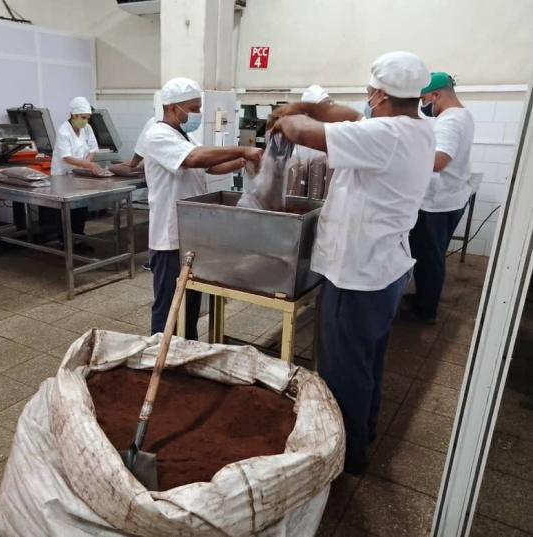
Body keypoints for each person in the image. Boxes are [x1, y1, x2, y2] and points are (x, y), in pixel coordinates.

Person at [272, 52, 434, 474]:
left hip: (357, 272)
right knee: (367, 360)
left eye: (368, 93)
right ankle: (364, 431)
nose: (365, 100)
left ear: (379, 94)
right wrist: (307, 105)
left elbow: (303, 132)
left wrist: (286, 116)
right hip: (384, 267)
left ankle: (345, 456)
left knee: (343, 369)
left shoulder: (385, 134)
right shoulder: (416, 127)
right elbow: (342, 116)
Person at [142, 77, 262, 338]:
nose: (196, 113)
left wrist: (243, 160)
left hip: (189, 235)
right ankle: (159, 357)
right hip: (169, 237)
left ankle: (187, 350)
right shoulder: (157, 134)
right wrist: (242, 148)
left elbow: (211, 166)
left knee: (190, 305)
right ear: (173, 107)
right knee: (168, 306)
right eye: (193, 108)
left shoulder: (184, 134)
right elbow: (195, 159)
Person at [403, 72, 475, 324]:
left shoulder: (450, 121)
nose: (423, 105)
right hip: (448, 198)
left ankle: (425, 312)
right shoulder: (461, 115)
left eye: (424, 99)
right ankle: (423, 299)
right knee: (428, 256)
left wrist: (402, 156)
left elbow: (439, 161)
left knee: (430, 258)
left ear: (436, 95)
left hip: (438, 203)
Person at [51, 96, 105, 240]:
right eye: (83, 117)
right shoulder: (64, 131)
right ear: (73, 115)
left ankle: (79, 237)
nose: (85, 121)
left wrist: (86, 165)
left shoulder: (86, 128)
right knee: (66, 209)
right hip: (62, 175)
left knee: (81, 206)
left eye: (87, 118)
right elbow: (66, 157)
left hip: (78, 175)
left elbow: (92, 148)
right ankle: (65, 241)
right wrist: (88, 165)